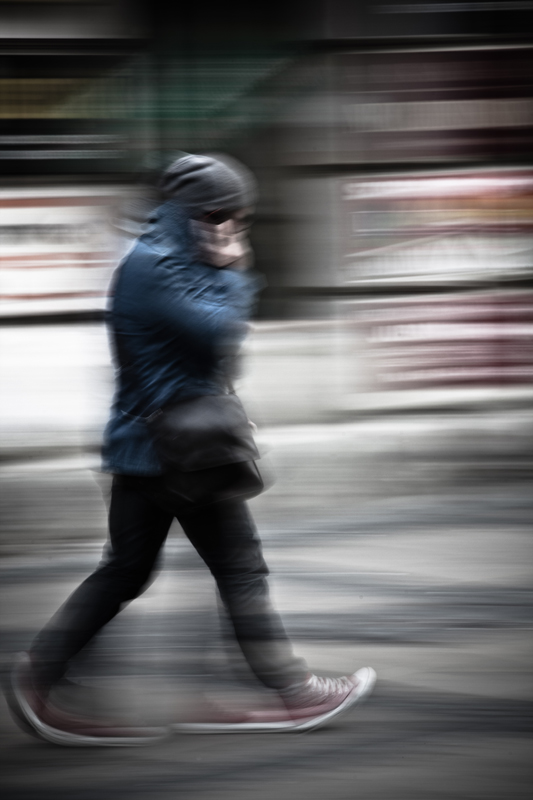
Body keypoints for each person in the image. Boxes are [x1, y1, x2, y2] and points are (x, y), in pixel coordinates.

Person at [4, 153, 376, 745]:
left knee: (129, 570)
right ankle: (291, 691)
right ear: (204, 214)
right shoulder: (153, 266)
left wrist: (217, 267)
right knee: (238, 567)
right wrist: (235, 269)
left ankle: (44, 678)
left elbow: (209, 351)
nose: (236, 230)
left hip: (154, 450)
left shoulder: (168, 260)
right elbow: (219, 336)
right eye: (231, 217)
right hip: (175, 453)